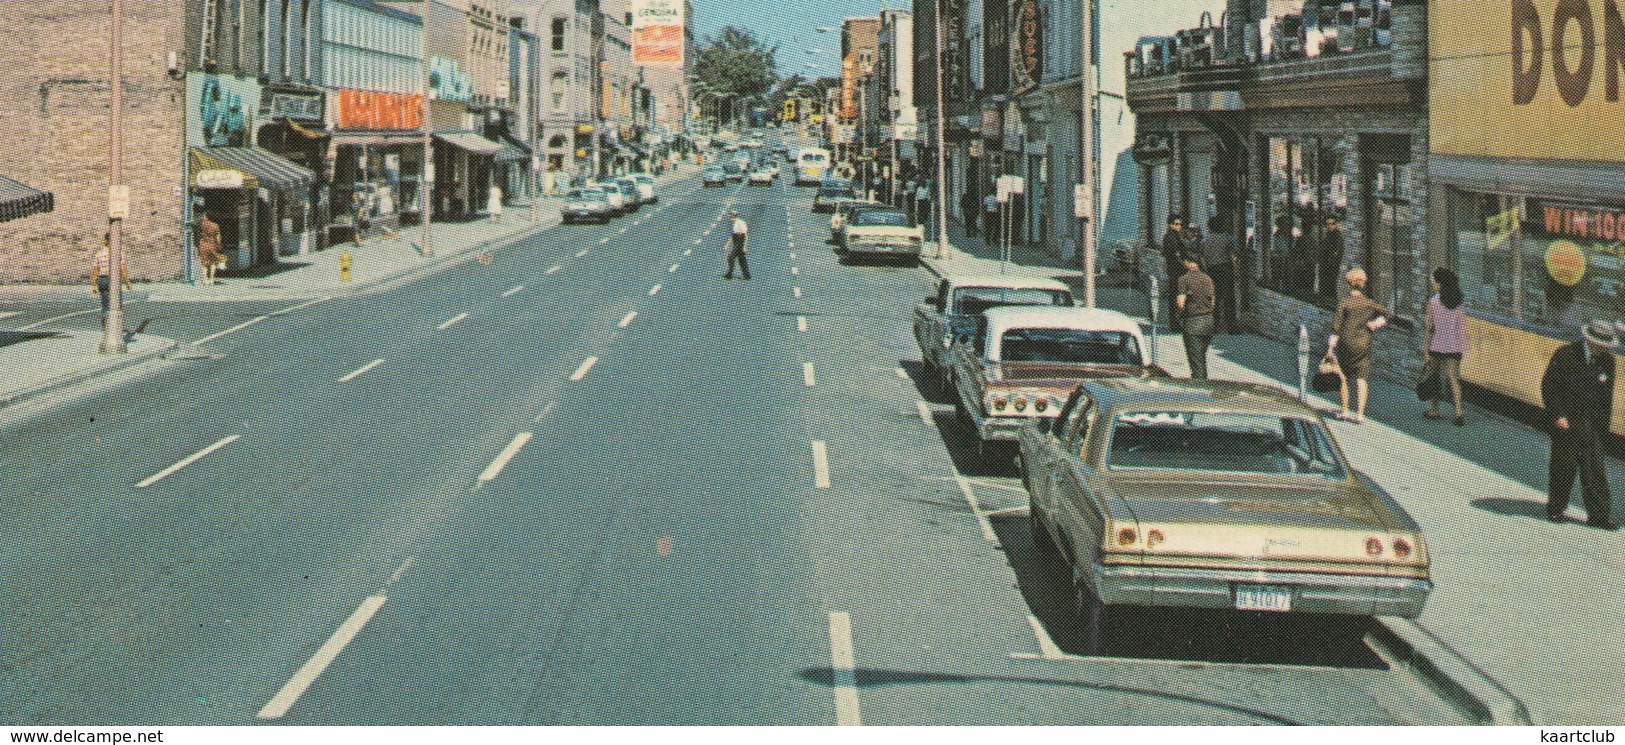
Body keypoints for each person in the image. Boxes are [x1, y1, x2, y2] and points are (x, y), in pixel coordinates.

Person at [1541, 319, 1620, 530]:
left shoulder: (1608, 362)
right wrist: (1557, 415)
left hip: (1592, 426)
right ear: (1589, 340)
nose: (1603, 349)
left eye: (1606, 346)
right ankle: (1556, 509)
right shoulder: (1565, 354)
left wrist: (1603, 430)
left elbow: (1606, 399)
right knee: (1563, 467)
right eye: (1600, 345)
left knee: (1595, 470)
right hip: (1566, 421)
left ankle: (1599, 516)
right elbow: (1549, 386)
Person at [1326, 267, 1396, 423]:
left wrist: (1330, 349)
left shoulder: (1344, 303)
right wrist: (1376, 324)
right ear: (1363, 284)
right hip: (1363, 344)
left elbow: (1336, 327)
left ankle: (1344, 411)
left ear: (1348, 284)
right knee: (1362, 379)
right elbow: (1390, 314)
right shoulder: (1369, 303)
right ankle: (1359, 414)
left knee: (1343, 377)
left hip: (1345, 343)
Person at [1423, 267, 1469, 425]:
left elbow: (1429, 327)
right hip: (1455, 345)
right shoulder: (1459, 302)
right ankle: (1458, 412)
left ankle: (1434, 410)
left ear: (1440, 283)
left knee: (1434, 377)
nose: (1432, 283)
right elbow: (1461, 326)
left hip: (1437, 344)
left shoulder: (1434, 302)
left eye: (1434, 281)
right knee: (1454, 378)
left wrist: (1426, 350)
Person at [1176, 252, 1217, 381]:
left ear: (1187, 262)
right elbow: (1213, 302)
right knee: (1200, 357)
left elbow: (1181, 302)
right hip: (1208, 322)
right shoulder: (1208, 278)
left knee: (1196, 363)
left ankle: (1200, 387)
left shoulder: (1184, 279)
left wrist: (1180, 314)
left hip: (1193, 323)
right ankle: (1201, 381)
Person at [1200, 215, 1240, 334]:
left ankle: (1213, 326)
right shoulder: (1228, 238)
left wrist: (1206, 270)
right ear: (1222, 226)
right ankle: (1231, 327)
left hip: (1211, 270)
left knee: (1214, 298)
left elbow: (1201, 258)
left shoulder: (1205, 240)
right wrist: (1237, 272)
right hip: (1225, 270)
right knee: (1229, 299)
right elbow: (1233, 257)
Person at [91, 232, 131, 331]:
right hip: (114, 280)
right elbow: (122, 269)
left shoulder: (99, 254)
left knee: (104, 304)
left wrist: (94, 286)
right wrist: (127, 282)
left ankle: (105, 326)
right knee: (117, 303)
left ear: (105, 241)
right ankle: (116, 326)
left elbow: (96, 270)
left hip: (102, 279)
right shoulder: (118, 253)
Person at [1160, 214, 1190, 331]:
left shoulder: (1176, 236)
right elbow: (1176, 254)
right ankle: (1175, 323)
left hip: (1177, 270)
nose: (1179, 226)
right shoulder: (1170, 237)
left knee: (1179, 295)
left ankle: (1177, 321)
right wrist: (1186, 265)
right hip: (1175, 270)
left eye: (1180, 224)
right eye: (1176, 224)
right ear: (1170, 224)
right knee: (1176, 296)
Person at [1318, 215, 1346, 301]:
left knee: (1330, 286)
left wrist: (1328, 264)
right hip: (1325, 266)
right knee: (1326, 287)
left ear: (1336, 224)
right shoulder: (1328, 235)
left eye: (1332, 223)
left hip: (1330, 267)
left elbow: (1336, 253)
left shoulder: (1337, 237)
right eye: (1328, 224)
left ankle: (1330, 303)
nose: (1329, 226)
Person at [196, 212, 226, 285]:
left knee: (204, 264)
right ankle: (212, 279)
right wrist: (219, 246)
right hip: (213, 245)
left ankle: (205, 280)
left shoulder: (202, 225)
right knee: (213, 263)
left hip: (203, 245)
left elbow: (197, 234)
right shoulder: (215, 226)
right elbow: (218, 238)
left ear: (206, 217)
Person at [722, 210, 750, 280]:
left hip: (740, 240)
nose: (730, 218)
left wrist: (744, 247)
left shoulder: (741, 223)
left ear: (733, 216)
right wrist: (727, 245)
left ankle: (729, 274)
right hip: (736, 240)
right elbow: (733, 235)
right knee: (741, 259)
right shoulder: (735, 223)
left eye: (730, 217)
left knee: (731, 257)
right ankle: (747, 275)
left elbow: (745, 235)